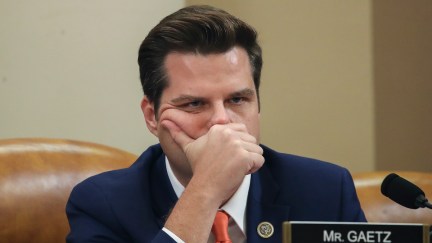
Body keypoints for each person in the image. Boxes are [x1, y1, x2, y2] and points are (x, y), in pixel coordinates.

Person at [66, 5, 366, 243]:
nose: (222, 121)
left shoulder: (325, 190)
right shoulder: (103, 204)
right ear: (152, 116)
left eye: (238, 100)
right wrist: (205, 191)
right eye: (194, 104)